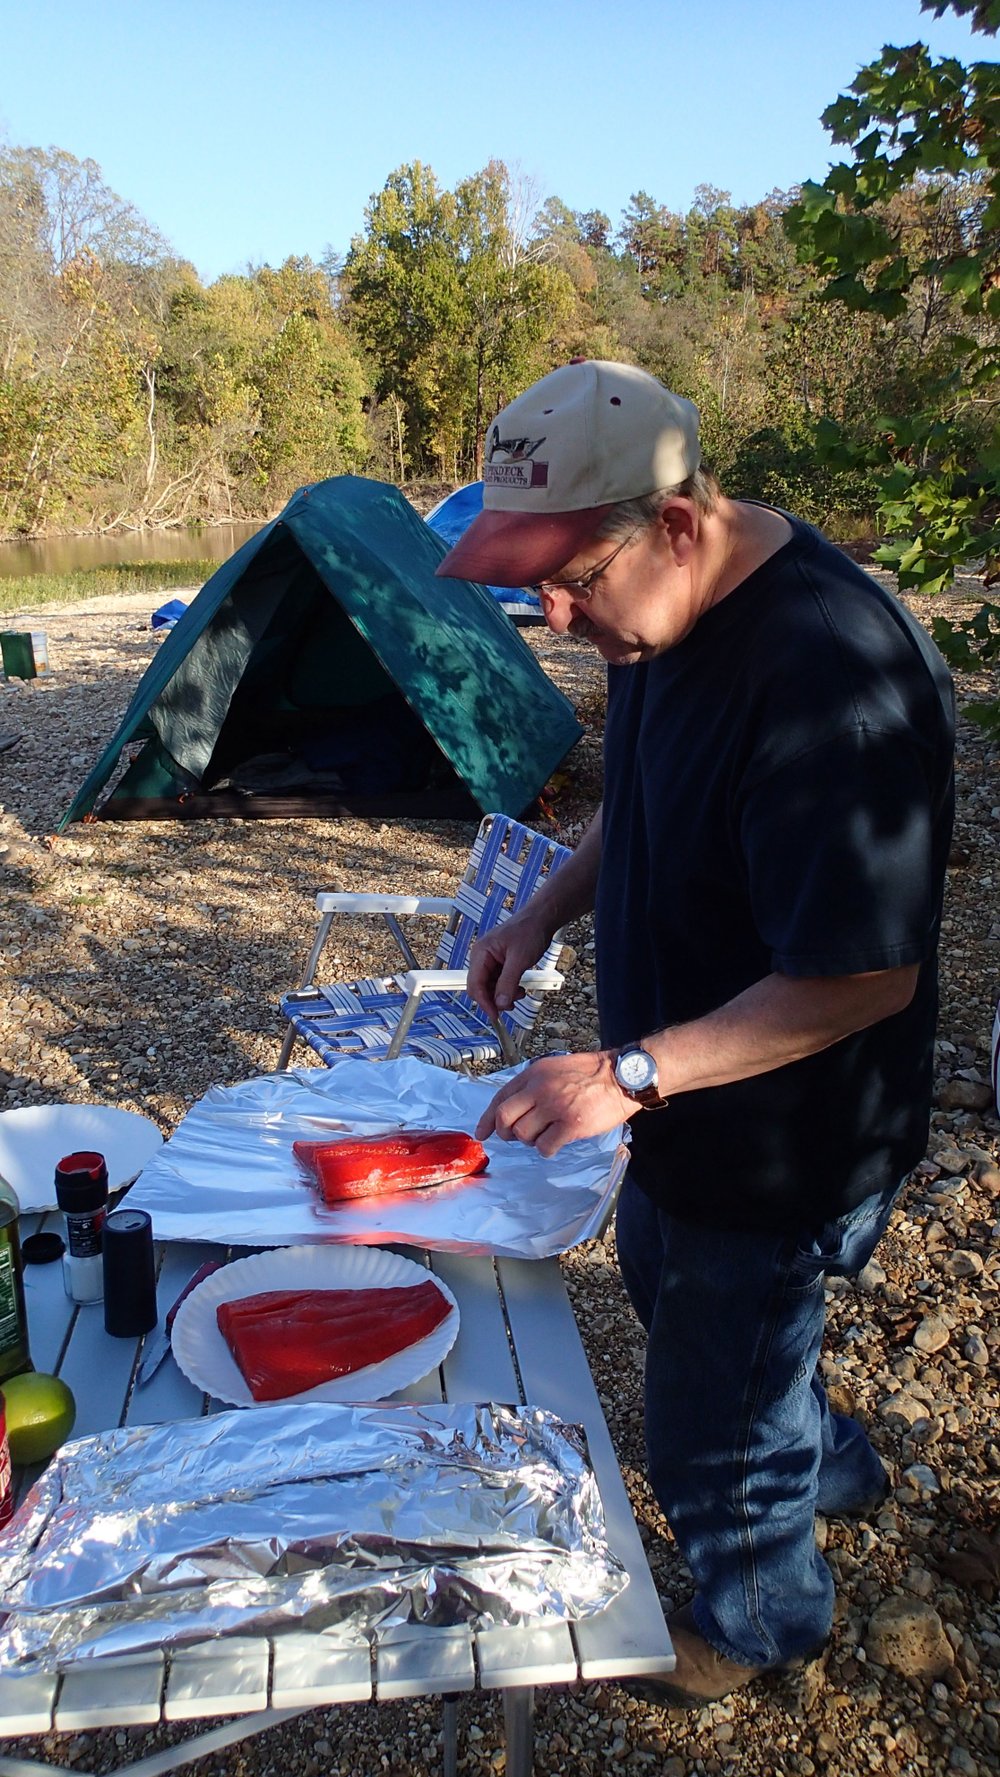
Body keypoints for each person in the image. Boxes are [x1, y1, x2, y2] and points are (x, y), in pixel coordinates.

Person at [435, 359, 955, 1706]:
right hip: (681, 1107)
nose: (545, 614)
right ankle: (830, 1462)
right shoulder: (656, 614)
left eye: (565, 580)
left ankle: (762, 1619)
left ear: (672, 523)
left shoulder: (826, 679)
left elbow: (862, 978)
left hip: (788, 1133)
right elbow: (641, 801)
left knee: (707, 1417)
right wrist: (545, 907)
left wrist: (630, 1072)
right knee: (687, 1293)